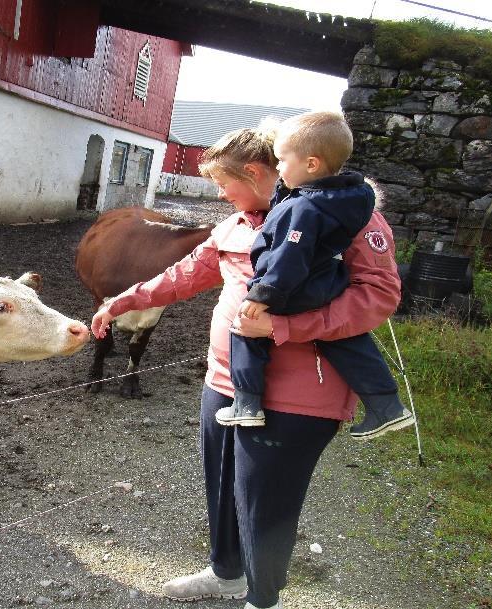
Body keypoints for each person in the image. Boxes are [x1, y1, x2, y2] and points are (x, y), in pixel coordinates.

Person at [90, 124, 402, 609]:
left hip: (301, 396)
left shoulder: (349, 221)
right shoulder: (235, 224)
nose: (218, 193)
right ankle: (226, 572)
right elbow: (188, 272)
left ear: (255, 172)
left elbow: (377, 298)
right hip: (225, 382)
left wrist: (284, 330)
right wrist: (121, 301)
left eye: (223, 182)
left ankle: (262, 598)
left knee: (266, 505)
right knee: (222, 487)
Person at [220, 112, 415, 440]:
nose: (278, 168)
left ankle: (247, 403)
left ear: (311, 165)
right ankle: (386, 404)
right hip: (324, 281)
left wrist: (264, 293)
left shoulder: (306, 207)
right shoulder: (338, 199)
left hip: (295, 284)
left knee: (244, 329)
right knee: (344, 339)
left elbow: (289, 255)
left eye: (282, 160)